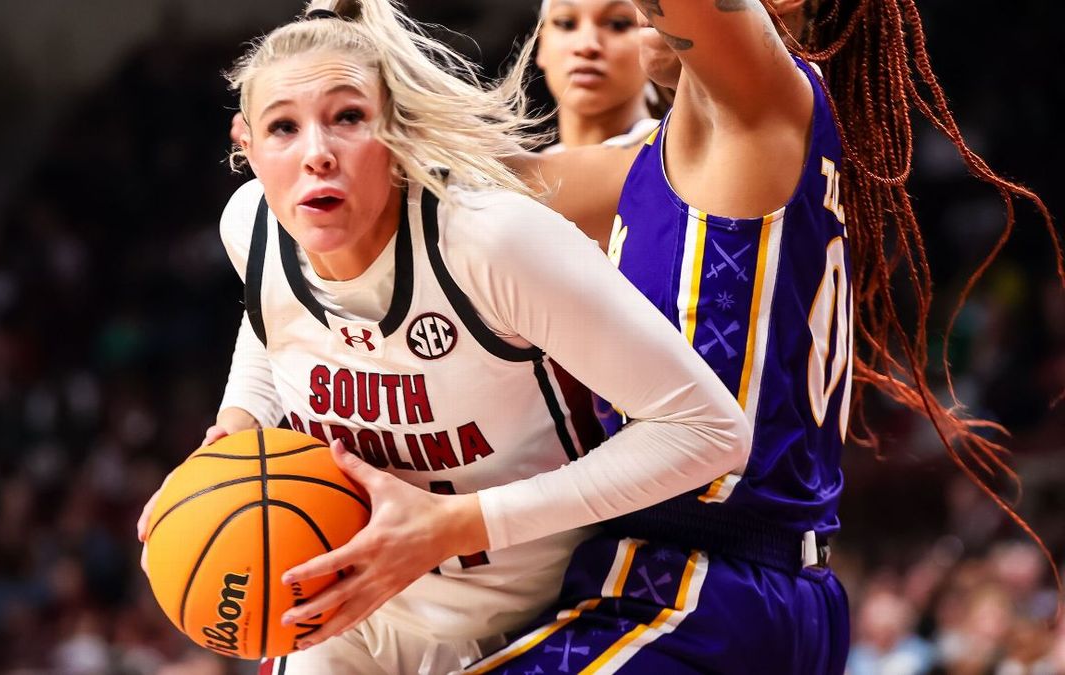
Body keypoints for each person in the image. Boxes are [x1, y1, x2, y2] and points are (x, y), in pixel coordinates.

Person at [138, 0, 752, 673]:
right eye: (283, 127)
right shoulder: (252, 226)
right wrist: (238, 422)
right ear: (246, 145)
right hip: (347, 614)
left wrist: (461, 523)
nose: (317, 154)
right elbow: (274, 318)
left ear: (395, 128)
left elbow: (711, 430)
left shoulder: (488, 242)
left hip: (529, 621)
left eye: (348, 118)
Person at [464, 0, 1063, 673]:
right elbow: (464, 187)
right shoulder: (660, 157)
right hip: (733, 582)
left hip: (708, 586)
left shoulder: (765, 98)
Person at [534, 0, 660, 153]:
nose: (586, 46)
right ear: (541, 44)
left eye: (617, 24)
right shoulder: (523, 166)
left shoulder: (671, 157)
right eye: (566, 24)